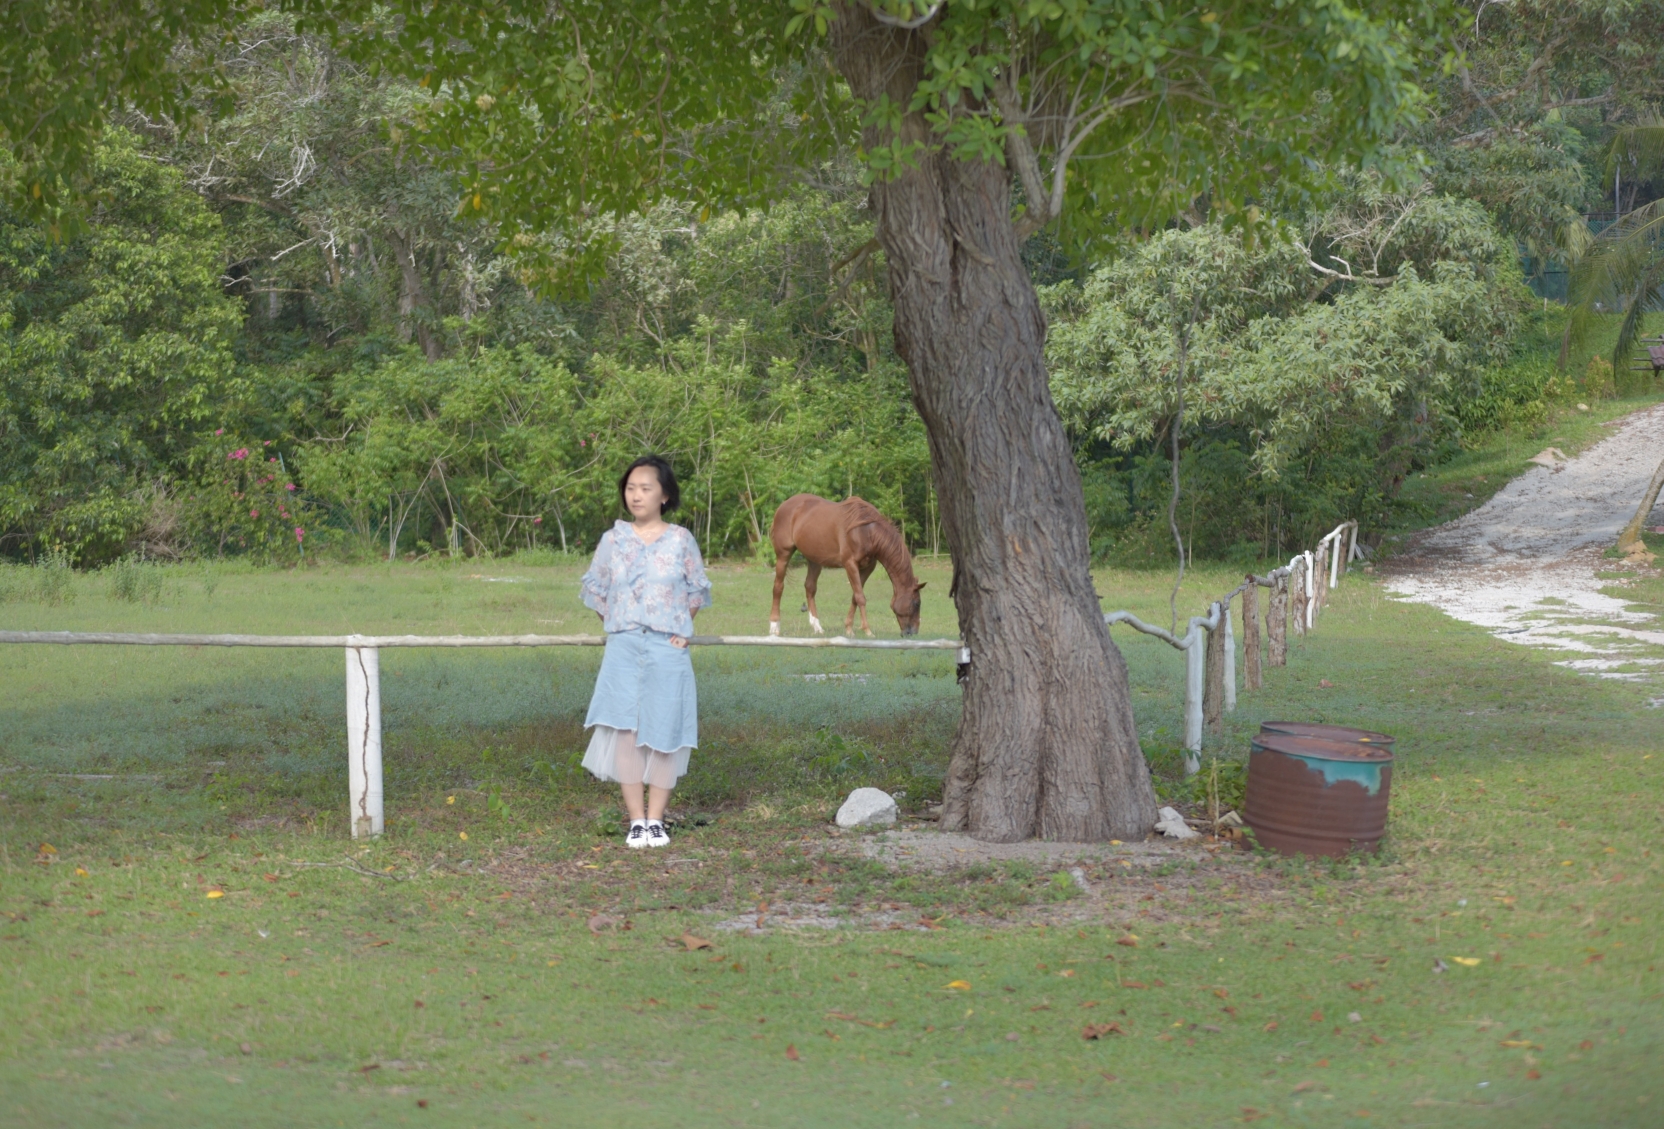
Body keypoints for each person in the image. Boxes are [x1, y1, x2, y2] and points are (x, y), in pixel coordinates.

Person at [579, 455, 711, 849]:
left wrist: (683, 628)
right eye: (630, 488)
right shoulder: (613, 540)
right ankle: (636, 820)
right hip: (623, 646)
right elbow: (595, 587)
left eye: (645, 488)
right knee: (626, 729)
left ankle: (657, 820)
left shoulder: (681, 539)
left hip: (667, 646)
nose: (635, 495)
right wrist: (620, 621)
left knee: (666, 727)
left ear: (664, 495)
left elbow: (696, 589)